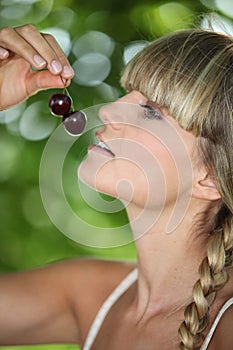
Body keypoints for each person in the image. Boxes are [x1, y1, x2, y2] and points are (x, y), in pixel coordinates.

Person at [0, 23, 233, 350]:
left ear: (209, 177)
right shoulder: (89, 295)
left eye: (151, 112)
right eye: (127, 92)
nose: (108, 111)